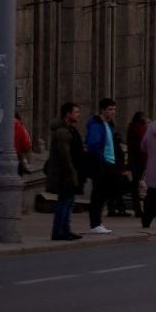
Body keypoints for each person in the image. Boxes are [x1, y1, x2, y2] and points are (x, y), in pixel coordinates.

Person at [45, 102, 83, 242]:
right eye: (76, 112)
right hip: (64, 174)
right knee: (64, 202)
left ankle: (66, 229)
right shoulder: (62, 132)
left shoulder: (69, 129)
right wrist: (72, 173)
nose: (79, 115)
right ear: (68, 114)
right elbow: (65, 155)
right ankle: (59, 231)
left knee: (69, 201)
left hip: (69, 172)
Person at [83, 98, 122, 234]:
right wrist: (102, 161)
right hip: (102, 164)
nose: (113, 112)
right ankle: (95, 223)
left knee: (107, 192)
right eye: (110, 109)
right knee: (98, 194)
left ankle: (98, 221)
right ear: (102, 110)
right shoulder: (96, 125)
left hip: (110, 163)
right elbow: (93, 145)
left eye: (114, 109)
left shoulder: (108, 125)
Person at [125, 110, 149, 219]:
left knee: (136, 186)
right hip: (140, 160)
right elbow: (144, 145)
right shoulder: (140, 128)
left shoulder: (132, 127)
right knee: (139, 186)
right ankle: (139, 209)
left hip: (135, 160)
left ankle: (138, 209)